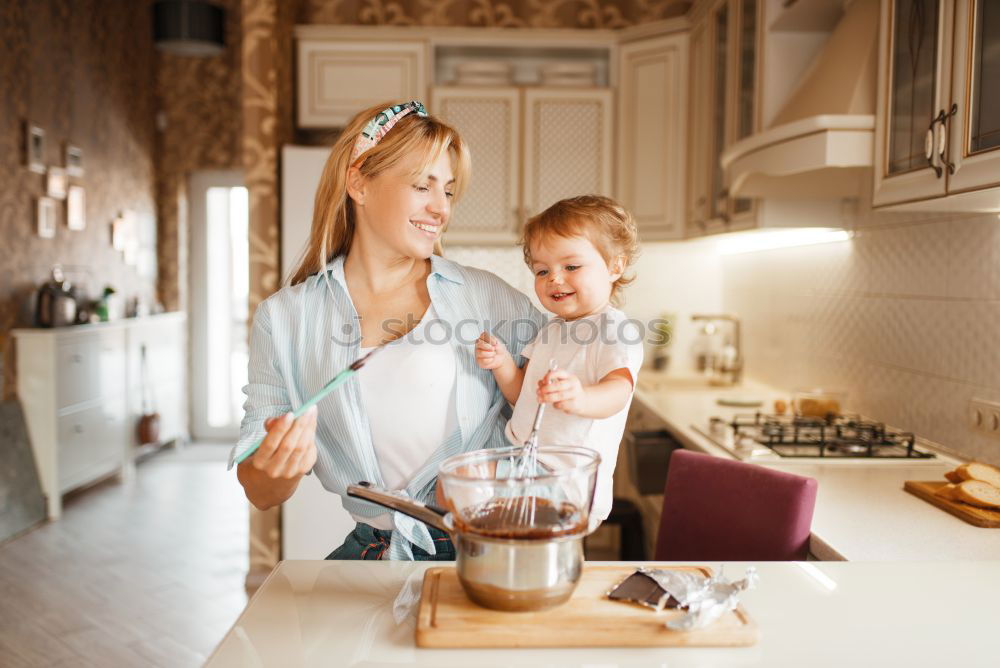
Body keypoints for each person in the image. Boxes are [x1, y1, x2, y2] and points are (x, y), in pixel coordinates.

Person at [233, 101, 544, 560]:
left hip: (492, 550)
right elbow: (261, 492)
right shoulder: (286, 318)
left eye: (450, 192)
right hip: (374, 554)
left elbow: (563, 406)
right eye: (423, 186)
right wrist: (279, 464)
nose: (440, 208)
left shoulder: (489, 299)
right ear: (359, 182)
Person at [475, 195, 643, 528]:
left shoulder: (614, 330)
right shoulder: (551, 330)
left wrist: (580, 397)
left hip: (568, 480)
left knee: (538, 551)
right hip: (526, 463)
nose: (554, 278)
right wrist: (502, 364)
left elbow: (618, 391)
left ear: (615, 266)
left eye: (571, 266)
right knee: (459, 490)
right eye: (542, 270)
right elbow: (519, 393)